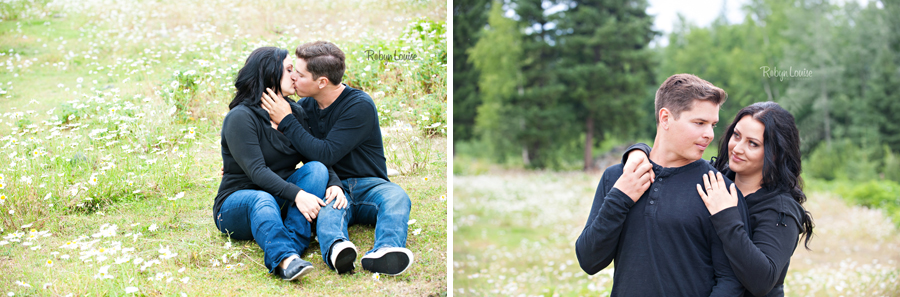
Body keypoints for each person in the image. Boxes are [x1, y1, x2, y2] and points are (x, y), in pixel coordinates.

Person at [575, 73, 751, 296]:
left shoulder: (718, 189)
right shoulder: (618, 177)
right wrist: (620, 196)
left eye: (713, 124)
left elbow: (731, 281)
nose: (709, 134)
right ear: (665, 118)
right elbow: (589, 261)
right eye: (699, 123)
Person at [623, 101, 815, 296]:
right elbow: (670, 158)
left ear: (775, 154)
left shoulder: (780, 210)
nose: (737, 148)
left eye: (753, 143)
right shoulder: (713, 178)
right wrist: (638, 151)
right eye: (736, 136)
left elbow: (762, 281)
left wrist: (726, 216)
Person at [260, 41, 414, 276]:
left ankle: (386, 250)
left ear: (322, 82)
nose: (292, 78)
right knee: (329, 212)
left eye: (299, 75)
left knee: (396, 196)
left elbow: (326, 153)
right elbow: (291, 149)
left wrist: (287, 120)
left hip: (368, 184)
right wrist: (240, 160)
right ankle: (337, 249)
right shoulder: (305, 107)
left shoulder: (359, 105)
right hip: (330, 188)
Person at [214, 46, 346, 281]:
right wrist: (298, 195)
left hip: (279, 198)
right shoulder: (240, 117)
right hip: (237, 203)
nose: (295, 76)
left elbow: (313, 155)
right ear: (270, 73)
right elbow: (256, 172)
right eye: (288, 70)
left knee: (315, 170)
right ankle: (284, 259)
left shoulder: (292, 111)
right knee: (260, 198)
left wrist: (334, 182)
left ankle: (293, 244)